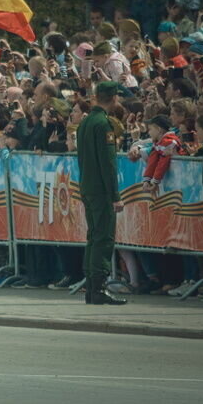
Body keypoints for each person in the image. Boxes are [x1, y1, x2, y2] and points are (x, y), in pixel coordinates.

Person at [76, 82, 126, 305]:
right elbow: (108, 163)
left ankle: (91, 287)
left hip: (87, 185)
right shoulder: (103, 124)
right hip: (101, 189)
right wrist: (115, 195)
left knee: (93, 236)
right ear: (113, 98)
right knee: (104, 237)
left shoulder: (86, 121)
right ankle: (98, 287)